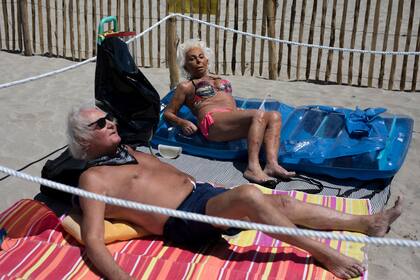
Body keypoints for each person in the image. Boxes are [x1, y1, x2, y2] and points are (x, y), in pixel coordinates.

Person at [67, 105, 402, 280]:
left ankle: (365, 223)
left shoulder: (128, 148)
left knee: (280, 201)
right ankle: (325, 253)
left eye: (108, 118)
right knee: (249, 195)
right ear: (83, 141)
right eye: (99, 124)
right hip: (184, 220)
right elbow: (94, 240)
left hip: (203, 196)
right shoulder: (95, 179)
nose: (110, 123)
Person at [163, 39, 295, 187]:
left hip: (228, 119)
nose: (198, 61)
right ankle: (252, 168)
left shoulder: (219, 79)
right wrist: (183, 122)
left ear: (207, 60)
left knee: (275, 116)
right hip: (212, 123)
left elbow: (227, 102)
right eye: (192, 59)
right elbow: (168, 113)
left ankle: (271, 164)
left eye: (201, 57)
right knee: (258, 114)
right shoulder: (186, 86)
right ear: (186, 66)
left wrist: (238, 112)